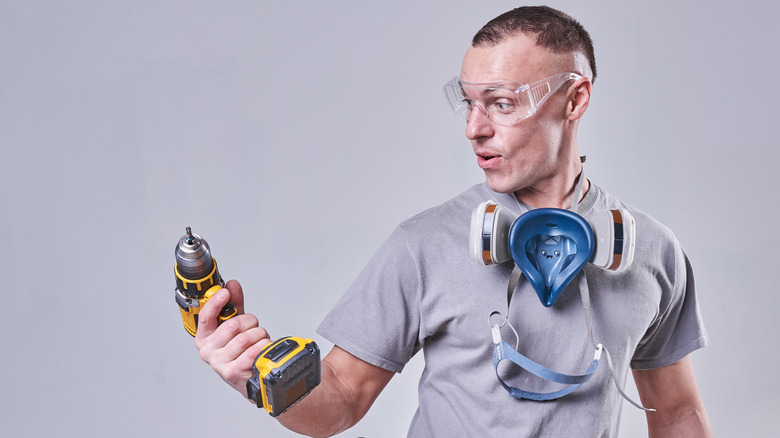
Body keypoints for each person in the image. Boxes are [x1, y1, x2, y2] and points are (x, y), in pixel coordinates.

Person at [194, 6, 712, 437]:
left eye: (501, 103)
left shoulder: (651, 251)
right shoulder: (423, 244)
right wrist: (257, 378)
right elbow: (342, 398)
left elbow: (678, 412)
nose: (473, 128)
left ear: (575, 99)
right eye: (469, 102)